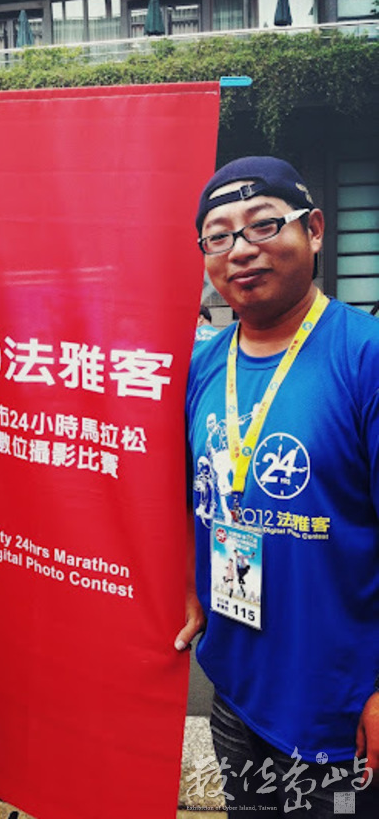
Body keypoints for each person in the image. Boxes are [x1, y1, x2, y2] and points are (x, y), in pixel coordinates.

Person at [175, 156, 379, 816]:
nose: (241, 250)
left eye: (264, 225)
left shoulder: (364, 356)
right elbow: (189, 494)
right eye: (218, 236)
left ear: (313, 230)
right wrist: (188, 587)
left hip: (344, 708)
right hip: (236, 688)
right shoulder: (202, 364)